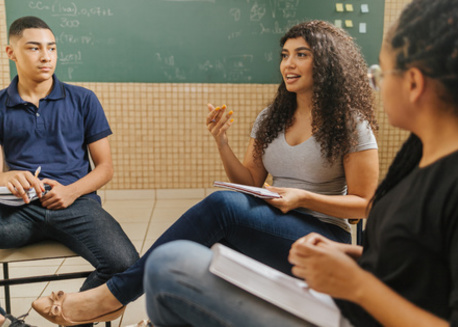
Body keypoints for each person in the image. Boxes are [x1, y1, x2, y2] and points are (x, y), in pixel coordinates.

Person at [138, 0, 458, 326]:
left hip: (353, 311)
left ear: (414, 83)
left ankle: (118, 292)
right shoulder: (419, 155)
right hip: (344, 291)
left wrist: (355, 284)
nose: (376, 85)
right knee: (176, 263)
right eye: (285, 55)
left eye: (380, 74)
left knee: (172, 264)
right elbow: (416, 264)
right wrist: (347, 255)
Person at [32, 20, 379, 325]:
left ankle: (113, 297)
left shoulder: (350, 124)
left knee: (221, 208)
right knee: (215, 223)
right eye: (284, 54)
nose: (288, 63)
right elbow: (250, 184)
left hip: (322, 237)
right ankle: (161, 315)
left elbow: (364, 204)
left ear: (327, 62)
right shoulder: (270, 118)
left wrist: (302, 197)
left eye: (301, 54)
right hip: (272, 223)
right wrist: (222, 142)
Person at [0, 16, 139, 326]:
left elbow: (105, 168)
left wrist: (70, 191)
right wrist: (6, 177)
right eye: (34, 48)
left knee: (126, 265)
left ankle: (72, 314)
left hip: (75, 203)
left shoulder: (83, 99)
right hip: (17, 208)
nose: (46, 57)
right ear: (11, 52)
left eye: (52, 48)